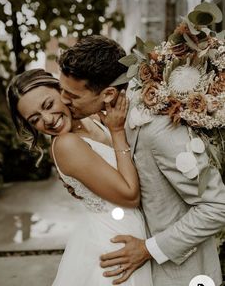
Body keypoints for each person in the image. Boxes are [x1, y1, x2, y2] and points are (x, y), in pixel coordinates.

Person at [58, 35, 225, 286]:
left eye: (72, 96)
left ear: (108, 94)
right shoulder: (110, 119)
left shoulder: (157, 128)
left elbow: (217, 207)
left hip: (182, 276)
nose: (63, 100)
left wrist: (149, 249)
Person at [7, 68, 153, 286]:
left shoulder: (92, 119)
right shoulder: (67, 144)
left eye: (48, 105)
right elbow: (130, 196)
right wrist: (117, 132)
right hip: (115, 241)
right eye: (35, 119)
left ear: (62, 91)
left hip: (134, 230)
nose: (47, 119)